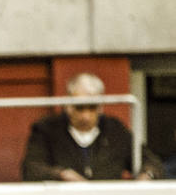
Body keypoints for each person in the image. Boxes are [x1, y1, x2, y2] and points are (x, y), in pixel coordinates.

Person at [21, 72, 162, 181]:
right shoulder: (47, 129)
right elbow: (31, 169)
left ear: (101, 107)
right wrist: (62, 175)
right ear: (67, 105)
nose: (85, 116)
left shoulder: (115, 130)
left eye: (92, 108)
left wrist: (146, 176)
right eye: (79, 108)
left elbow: (152, 162)